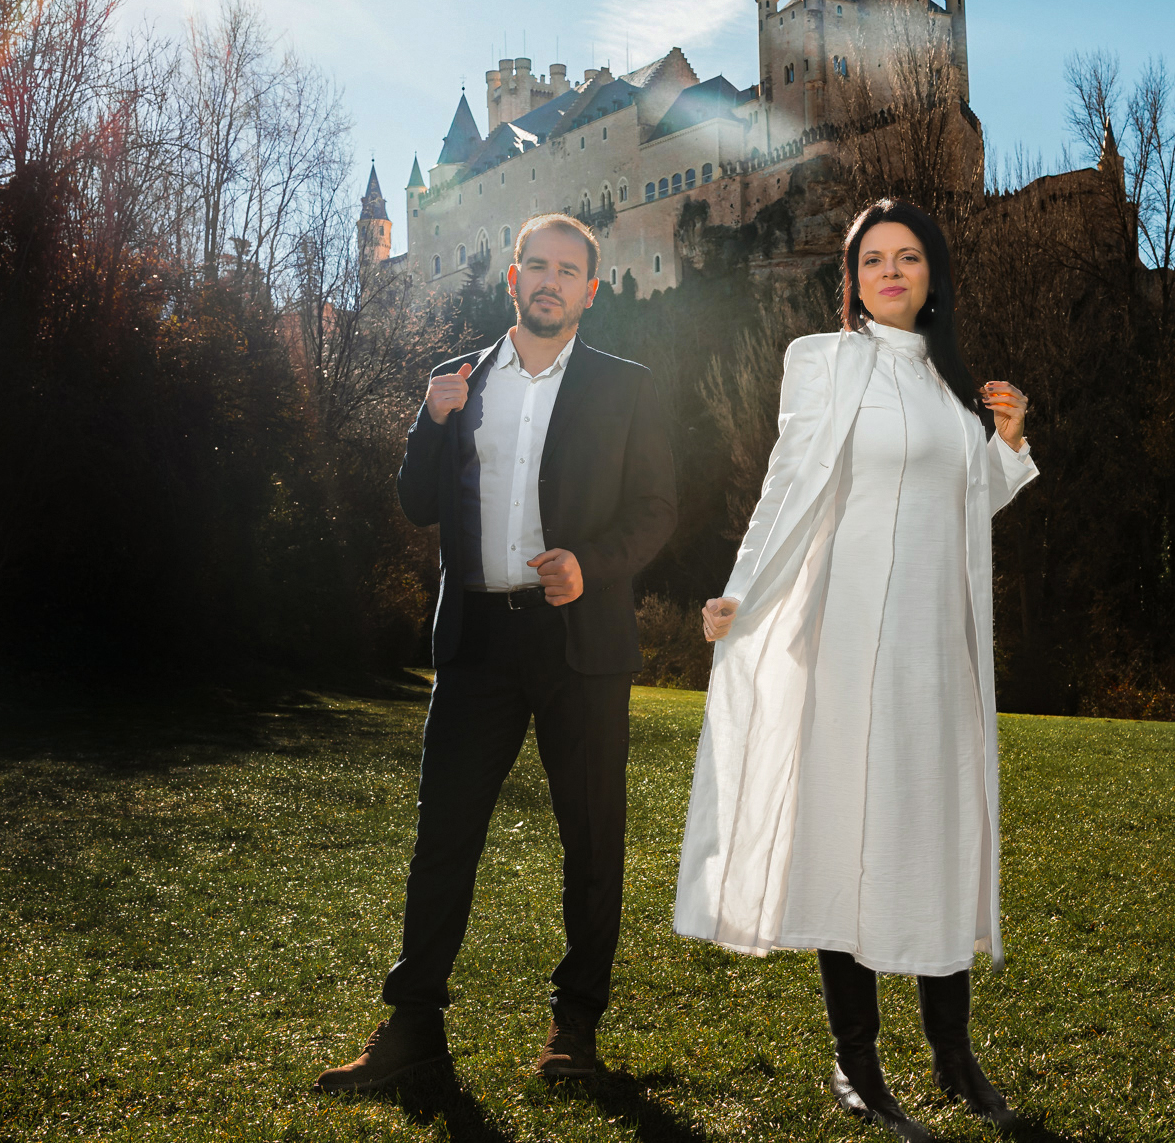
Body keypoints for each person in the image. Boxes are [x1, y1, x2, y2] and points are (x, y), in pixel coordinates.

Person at [674, 198, 1037, 1140]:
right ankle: (857, 1056)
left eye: (908, 257)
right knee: (851, 832)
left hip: (939, 648)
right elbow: (787, 487)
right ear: (853, 276)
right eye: (873, 258)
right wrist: (740, 590)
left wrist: (1006, 445)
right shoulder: (828, 364)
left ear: (933, 276)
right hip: (850, 640)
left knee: (939, 829)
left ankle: (954, 1057)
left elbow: (962, 509)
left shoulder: (954, 388)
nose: (890, 272)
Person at [316, 213, 676, 1093]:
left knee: (593, 840)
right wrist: (427, 422)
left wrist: (591, 566)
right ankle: (413, 1030)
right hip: (475, 640)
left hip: (579, 644)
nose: (550, 281)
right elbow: (413, 504)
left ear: (591, 290)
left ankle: (574, 1030)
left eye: (569, 270)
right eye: (537, 266)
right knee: (443, 834)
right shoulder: (459, 381)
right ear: (511, 277)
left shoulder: (627, 387)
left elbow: (659, 509)